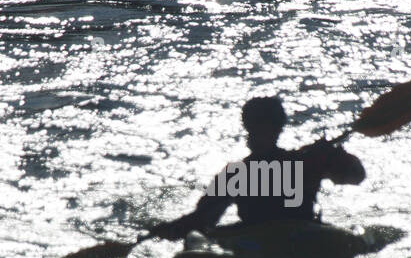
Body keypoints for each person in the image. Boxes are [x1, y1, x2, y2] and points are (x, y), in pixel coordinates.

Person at [152, 95, 365, 241]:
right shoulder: (236, 174)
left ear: (277, 129)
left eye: (265, 127)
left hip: (303, 235)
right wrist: (167, 230)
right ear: (247, 127)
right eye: (255, 127)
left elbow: (357, 176)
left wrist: (337, 156)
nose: (259, 133)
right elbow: (204, 219)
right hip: (255, 240)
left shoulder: (306, 161)